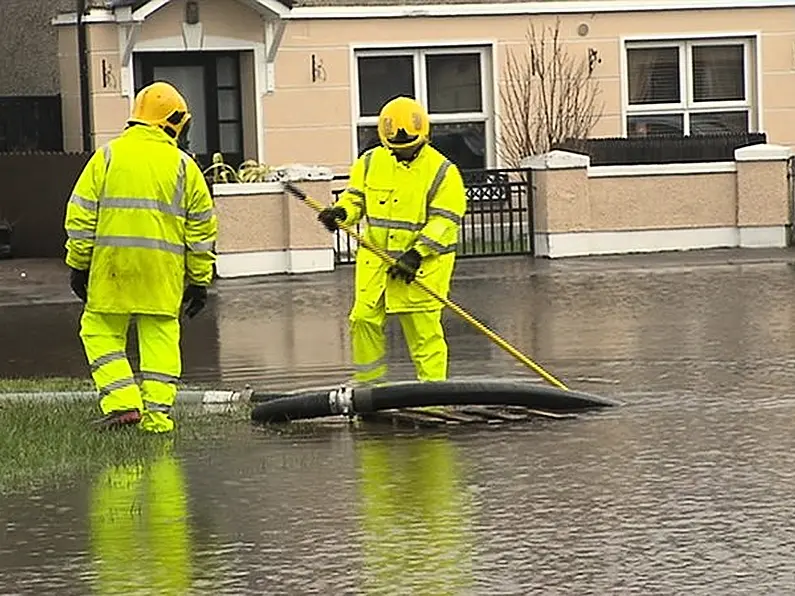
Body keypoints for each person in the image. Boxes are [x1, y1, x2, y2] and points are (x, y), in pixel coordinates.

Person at [63, 81, 218, 432]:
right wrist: (199, 281)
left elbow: (81, 216)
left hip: (112, 268)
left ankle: (122, 404)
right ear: (173, 121)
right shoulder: (184, 166)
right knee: (160, 337)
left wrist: (78, 263)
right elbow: (202, 231)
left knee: (99, 330)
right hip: (161, 272)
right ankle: (158, 416)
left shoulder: (107, 156)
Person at [318, 96, 467, 386]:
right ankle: (370, 389)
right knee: (363, 321)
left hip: (420, 269)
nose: (403, 155)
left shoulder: (443, 172)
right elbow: (356, 198)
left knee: (424, 335)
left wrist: (417, 253)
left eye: (410, 149)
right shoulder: (371, 161)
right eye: (397, 150)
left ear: (424, 136)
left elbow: (445, 220)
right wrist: (341, 213)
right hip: (376, 264)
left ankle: (432, 399)